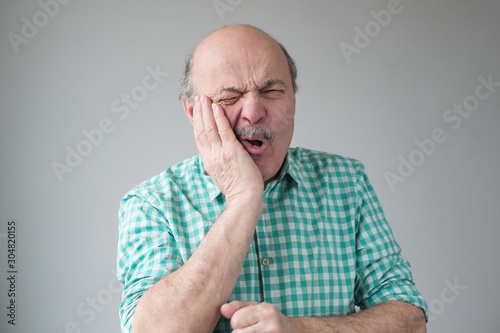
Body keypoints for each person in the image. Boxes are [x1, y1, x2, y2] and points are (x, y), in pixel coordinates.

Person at [117, 24, 428, 332]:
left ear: (292, 100)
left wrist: (301, 330)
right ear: (192, 113)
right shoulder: (152, 204)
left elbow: (410, 321)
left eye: (271, 91)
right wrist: (243, 198)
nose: (254, 111)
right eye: (230, 97)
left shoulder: (348, 182)